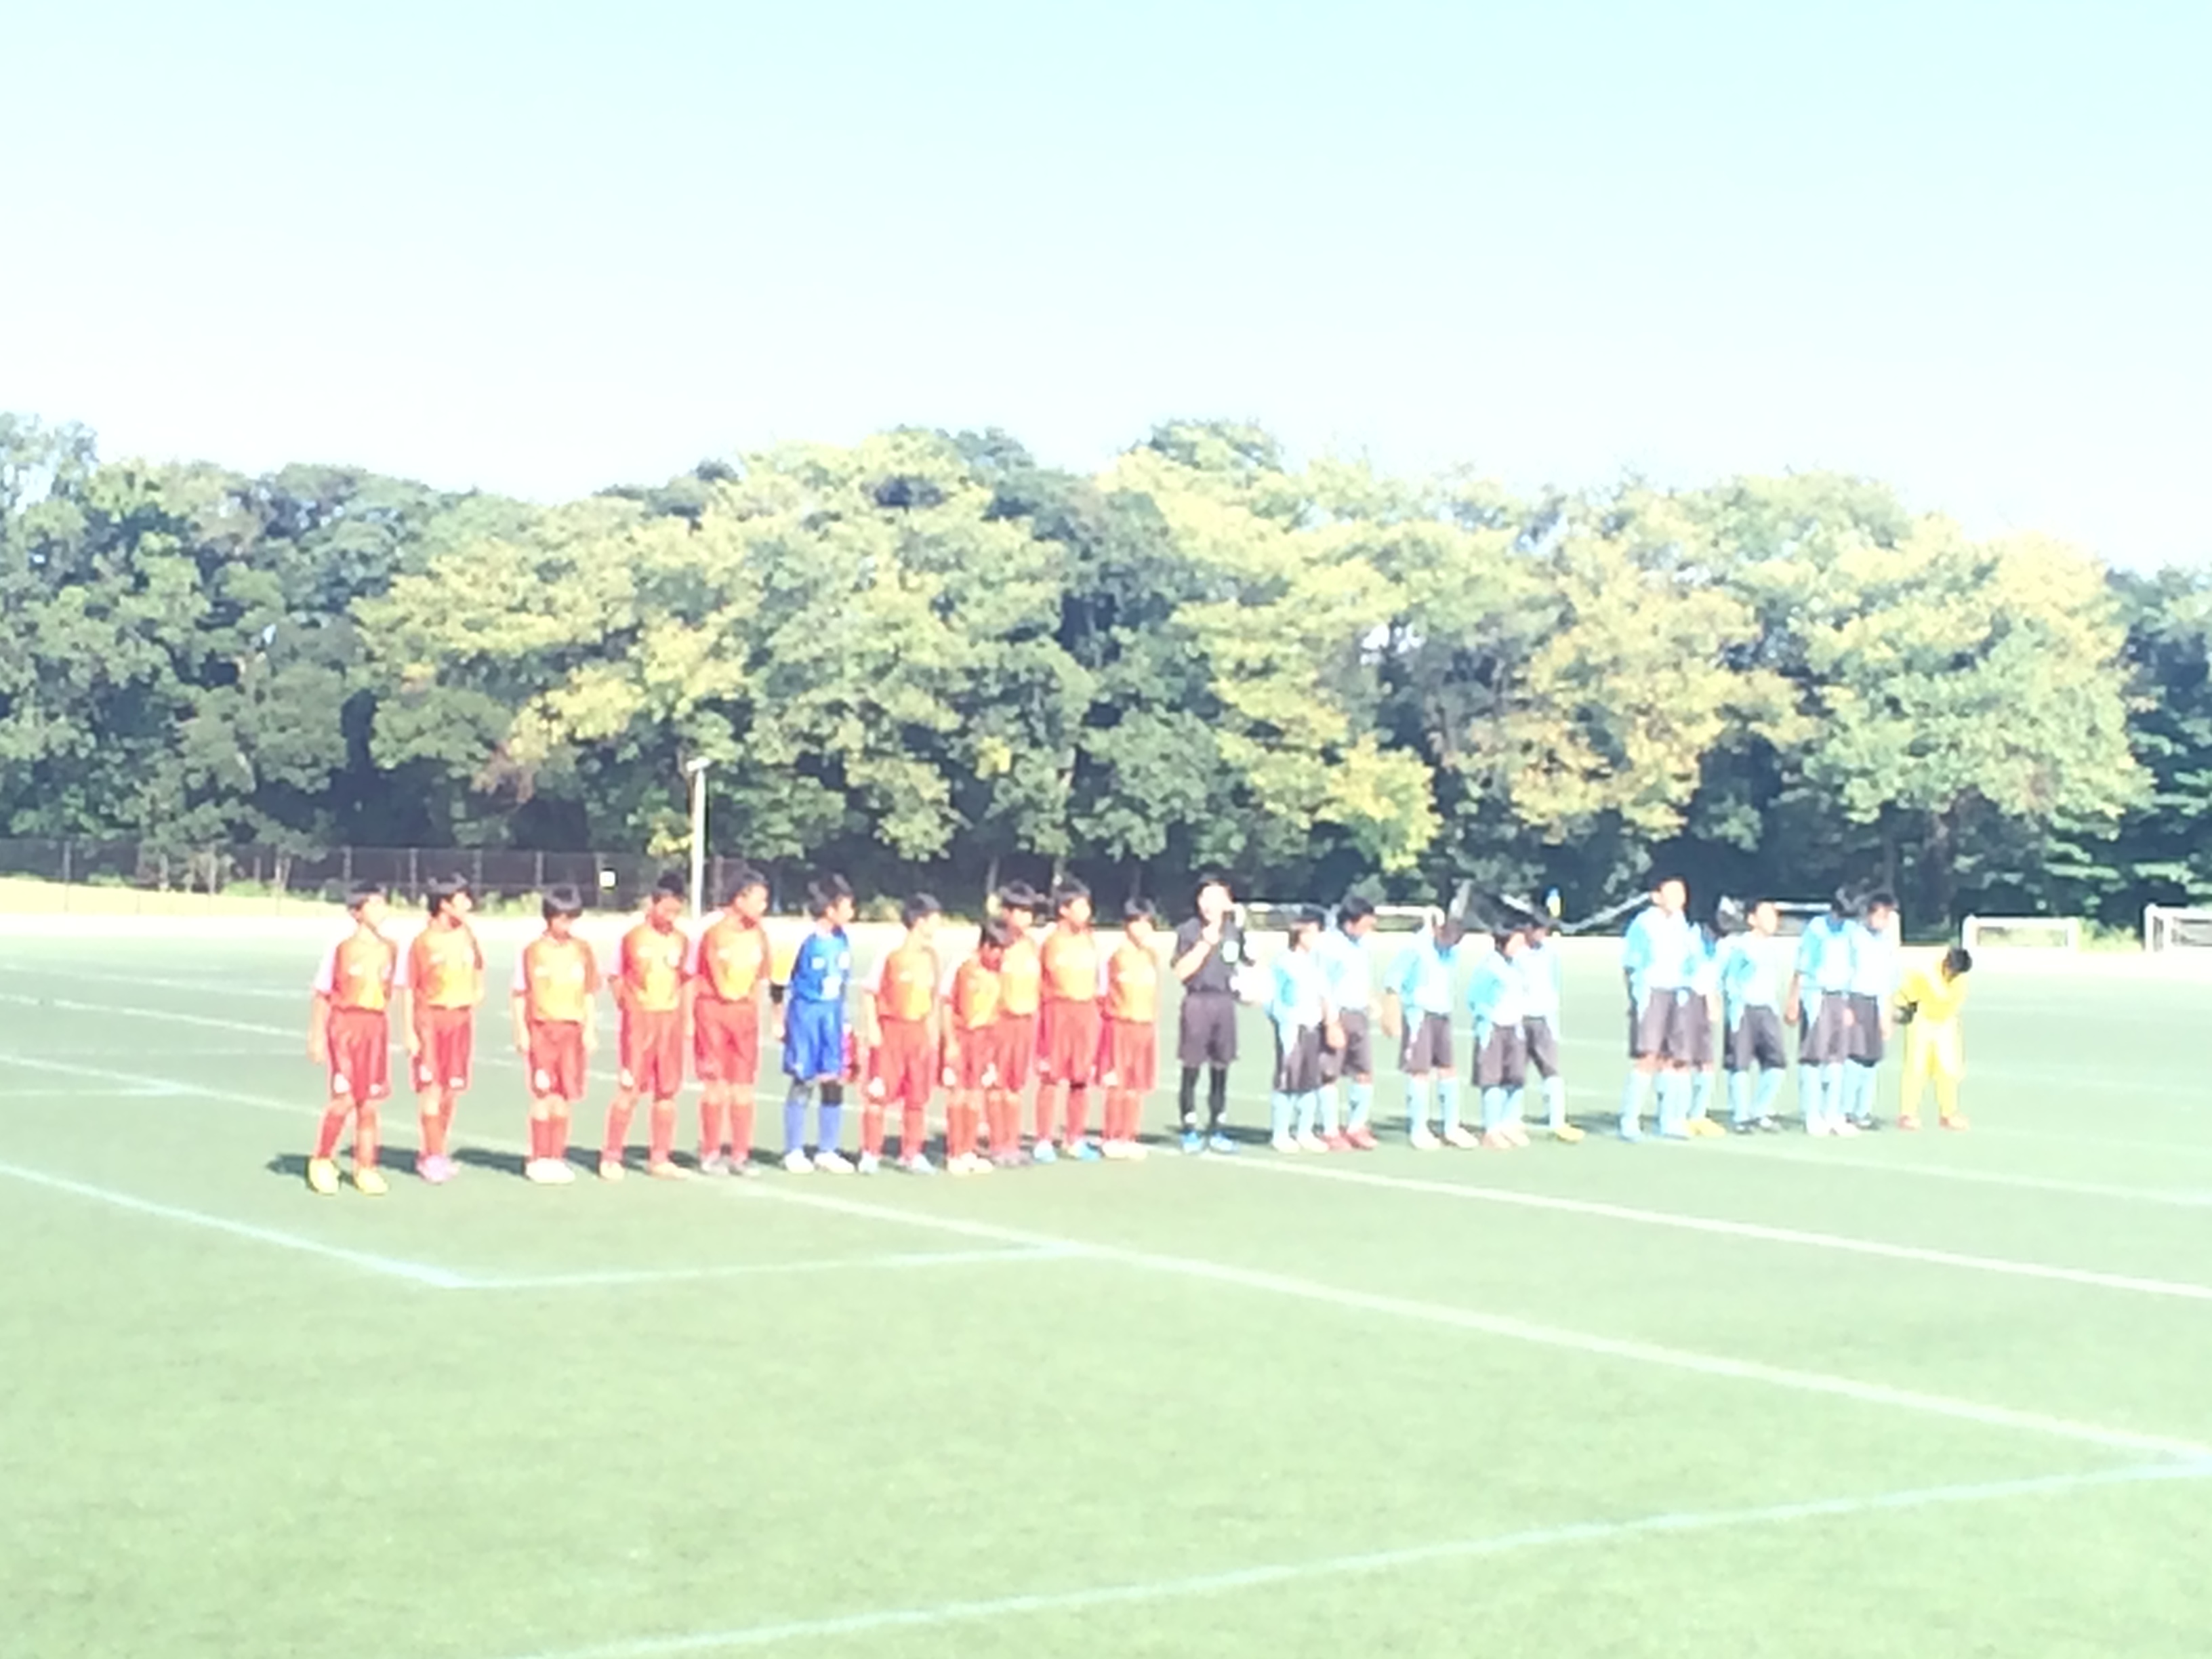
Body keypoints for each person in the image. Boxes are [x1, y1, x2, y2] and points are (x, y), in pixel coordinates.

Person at [306, 880, 398, 1196]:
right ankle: (322, 1159)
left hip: (375, 1028)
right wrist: (317, 1037)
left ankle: (365, 1167)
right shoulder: (341, 948)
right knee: (344, 1099)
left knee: (369, 1103)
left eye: (383, 903)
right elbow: (322, 994)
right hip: (345, 1028)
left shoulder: (390, 948)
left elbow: (389, 990)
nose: (381, 909)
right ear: (356, 912)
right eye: (373, 904)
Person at [601, 872, 691, 1181]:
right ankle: (611, 1156)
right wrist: (628, 1008)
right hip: (640, 1024)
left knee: (667, 1092)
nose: (671, 916)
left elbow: (686, 979)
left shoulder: (681, 941)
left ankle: (660, 1158)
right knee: (630, 1089)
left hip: (670, 1022)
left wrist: (686, 1018)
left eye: (676, 911)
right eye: (666, 909)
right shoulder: (633, 938)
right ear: (653, 904)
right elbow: (615, 977)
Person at [512, 884, 600, 1184]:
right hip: (542, 1030)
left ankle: (555, 1156)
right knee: (543, 1093)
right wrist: (522, 1032)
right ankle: (538, 1158)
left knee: (564, 1095)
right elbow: (519, 994)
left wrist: (589, 1029)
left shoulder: (582, 950)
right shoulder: (532, 952)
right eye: (563, 919)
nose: (568, 925)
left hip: (572, 1031)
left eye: (572, 919)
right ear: (549, 918)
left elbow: (589, 993)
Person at [397, 873, 483, 1185]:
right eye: (462, 899)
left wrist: (477, 990)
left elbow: (478, 966)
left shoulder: (467, 935)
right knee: (431, 1088)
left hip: (460, 1020)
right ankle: (432, 1157)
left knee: (451, 1090)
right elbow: (409, 988)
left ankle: (435, 1151)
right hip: (430, 1021)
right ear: (445, 904)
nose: (468, 904)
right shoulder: (422, 943)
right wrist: (409, 1031)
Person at [689, 868, 773, 1174]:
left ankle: (740, 1154)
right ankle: (710, 1152)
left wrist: (754, 1012)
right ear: (739, 899)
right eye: (759, 900)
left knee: (743, 1086)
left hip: (744, 1017)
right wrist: (690, 1020)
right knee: (715, 1084)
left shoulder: (759, 934)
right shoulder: (712, 931)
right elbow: (696, 975)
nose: (764, 907)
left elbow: (760, 978)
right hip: (713, 1014)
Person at [859, 893, 945, 1174]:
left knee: (917, 1097)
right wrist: (873, 1028)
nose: (938, 925)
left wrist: (932, 1034)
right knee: (878, 1094)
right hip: (891, 1031)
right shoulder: (891, 953)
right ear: (920, 921)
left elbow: (934, 998)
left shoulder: (932, 957)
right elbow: (870, 991)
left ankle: (912, 1153)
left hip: (918, 1033)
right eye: (934, 919)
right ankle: (871, 1152)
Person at [778, 876, 857, 1173]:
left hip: (832, 1017)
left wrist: (845, 1021)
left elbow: (842, 982)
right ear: (830, 909)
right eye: (847, 906)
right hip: (806, 1016)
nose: (852, 912)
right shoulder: (803, 939)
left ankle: (828, 1149)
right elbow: (778, 981)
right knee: (803, 1080)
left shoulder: (843, 939)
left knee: (834, 1079)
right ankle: (793, 1150)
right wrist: (778, 1020)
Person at [1618, 878, 1700, 1141]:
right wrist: (1634, 998)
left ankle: (1670, 1119)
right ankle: (1630, 1120)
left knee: (1674, 1056)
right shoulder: (1645, 923)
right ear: (1657, 896)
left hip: (1678, 990)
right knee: (1648, 1056)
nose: (1679, 897)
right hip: (1651, 990)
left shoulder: (1681, 922)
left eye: (1681, 892)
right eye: (1672, 892)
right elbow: (1630, 963)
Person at [1384, 912, 1473, 1149]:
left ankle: (1451, 1127)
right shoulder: (1415, 947)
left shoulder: (1452, 951)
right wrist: (1391, 1014)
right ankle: (1418, 1129)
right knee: (1419, 1071)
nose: (1451, 943)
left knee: (1448, 1069)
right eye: (1449, 937)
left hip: (1442, 1013)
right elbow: (1394, 979)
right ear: (1438, 929)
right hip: (1419, 1014)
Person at [1171, 876, 1246, 1155]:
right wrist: (1205, 943)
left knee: (1221, 1068)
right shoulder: (1188, 931)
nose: (1209, 905)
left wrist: (1247, 989)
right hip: (1198, 1001)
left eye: (1216, 898)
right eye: (1204, 898)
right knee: (1192, 1067)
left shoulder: (1234, 932)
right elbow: (1181, 972)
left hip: (1224, 1003)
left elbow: (1242, 965)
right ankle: (1189, 1127)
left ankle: (1217, 1127)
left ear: (1227, 902)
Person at [1035, 879, 1103, 1162]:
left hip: (1085, 1012)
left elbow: (1098, 979)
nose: (1087, 912)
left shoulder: (1089, 939)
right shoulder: (1049, 941)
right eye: (1081, 906)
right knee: (1051, 1077)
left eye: (1088, 906)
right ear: (1064, 910)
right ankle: (1043, 1140)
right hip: (1057, 1012)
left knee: (1081, 1078)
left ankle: (1075, 1138)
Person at [1786, 890, 1860, 1137]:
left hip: (1841, 995)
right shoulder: (1816, 930)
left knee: (1838, 1057)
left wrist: (1849, 1003)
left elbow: (1852, 965)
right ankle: (1812, 1114)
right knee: (1813, 1056)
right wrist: (1794, 999)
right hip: (1816, 994)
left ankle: (1833, 1114)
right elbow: (1802, 967)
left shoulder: (1850, 931)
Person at [1097, 899, 1162, 1160]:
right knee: (1117, 1083)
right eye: (1137, 922)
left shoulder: (1151, 957)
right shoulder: (1114, 957)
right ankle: (1111, 1136)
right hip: (1120, 1026)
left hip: (1144, 1027)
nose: (1142, 929)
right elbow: (1102, 993)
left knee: (1137, 1084)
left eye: (1147, 923)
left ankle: (1129, 1135)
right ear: (1126, 925)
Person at [944, 920, 1010, 1174]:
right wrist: (950, 1042)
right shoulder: (962, 965)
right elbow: (946, 1003)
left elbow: (996, 1010)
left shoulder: (999, 971)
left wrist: (993, 1049)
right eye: (996, 950)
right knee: (958, 1094)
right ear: (984, 945)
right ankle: (954, 1153)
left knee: (975, 1094)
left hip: (984, 1040)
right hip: (962, 1036)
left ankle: (968, 1150)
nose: (999, 956)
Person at [1718, 900, 1789, 1134]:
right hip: (1744, 1009)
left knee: (1777, 1063)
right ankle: (1740, 1116)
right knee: (1739, 1064)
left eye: (1774, 915)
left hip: (1766, 1010)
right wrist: (1735, 1007)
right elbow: (1730, 980)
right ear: (1752, 919)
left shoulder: (1770, 948)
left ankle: (1760, 1110)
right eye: (1766, 915)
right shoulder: (1742, 947)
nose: (1773, 920)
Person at [1317, 895, 1381, 1150]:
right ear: (1349, 923)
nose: (1368, 931)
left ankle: (1357, 1127)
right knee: (1330, 1073)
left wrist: (1371, 1000)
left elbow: (1360, 977)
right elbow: (1323, 986)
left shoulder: (1361, 945)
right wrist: (1330, 1022)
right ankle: (1330, 1130)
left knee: (1364, 1072)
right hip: (1338, 1014)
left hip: (1358, 1014)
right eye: (1365, 925)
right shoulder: (1330, 947)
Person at [1267, 907, 1331, 1153]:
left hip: (1313, 1028)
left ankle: (1305, 1131)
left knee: (1310, 1081)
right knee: (1287, 1080)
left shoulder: (1315, 963)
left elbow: (1323, 994)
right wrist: (1285, 1022)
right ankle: (1280, 1133)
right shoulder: (1284, 963)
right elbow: (1272, 999)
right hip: (1292, 1029)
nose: (1316, 937)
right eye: (1312, 932)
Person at [1516, 915, 1582, 1143]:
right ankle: (1511, 1120)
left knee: (1551, 1070)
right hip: (1518, 1018)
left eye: (1544, 929)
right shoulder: (1516, 953)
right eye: (1537, 928)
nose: (1541, 934)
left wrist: (1553, 1021)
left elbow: (1553, 987)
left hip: (1543, 1018)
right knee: (1515, 1072)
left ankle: (1557, 1121)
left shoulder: (1550, 955)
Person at [1896, 945, 1974, 1131]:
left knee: (1948, 1070)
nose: (1954, 975)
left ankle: (1949, 1113)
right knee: (1916, 1068)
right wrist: (1902, 1009)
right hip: (1922, 1022)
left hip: (1945, 1024)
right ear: (1947, 963)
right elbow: (1905, 995)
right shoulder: (1925, 974)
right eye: (1953, 970)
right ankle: (1908, 1114)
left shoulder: (1960, 980)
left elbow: (1952, 1001)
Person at [1466, 928, 1532, 1148]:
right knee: (1492, 1079)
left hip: (1514, 1027)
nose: (1521, 947)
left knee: (1515, 1078)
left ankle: (1508, 1123)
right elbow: (1474, 998)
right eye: (1517, 942)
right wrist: (1489, 1016)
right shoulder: (1489, 967)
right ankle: (1491, 1129)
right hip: (1493, 1029)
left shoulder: (1516, 966)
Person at [1841, 890, 1901, 1130]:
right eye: (1881, 915)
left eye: (1888, 917)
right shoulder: (1854, 937)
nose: (1885, 921)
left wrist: (1887, 1015)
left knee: (1871, 1060)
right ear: (1869, 914)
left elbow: (1887, 981)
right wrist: (1845, 1005)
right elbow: (1844, 971)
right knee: (1854, 1057)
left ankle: (1862, 1112)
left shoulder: (1885, 942)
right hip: (1856, 999)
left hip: (1877, 1003)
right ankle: (1845, 1110)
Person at [993, 884, 1044, 1162]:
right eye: (1019, 911)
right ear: (1006, 913)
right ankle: (997, 1143)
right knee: (997, 1085)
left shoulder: (1033, 947)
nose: (1025, 918)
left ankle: (1011, 1143)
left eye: (1029, 912)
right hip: (1001, 1022)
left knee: (1015, 1086)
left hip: (1025, 1024)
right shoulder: (997, 946)